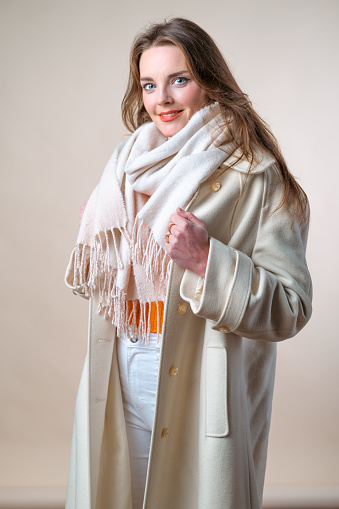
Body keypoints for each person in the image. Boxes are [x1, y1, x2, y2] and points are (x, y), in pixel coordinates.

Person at [64, 17, 312, 509]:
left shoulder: (257, 174)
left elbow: (291, 306)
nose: (163, 100)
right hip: (121, 367)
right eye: (149, 85)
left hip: (199, 381)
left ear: (210, 80)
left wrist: (207, 260)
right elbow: (98, 283)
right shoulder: (125, 163)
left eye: (179, 79)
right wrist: (101, 241)